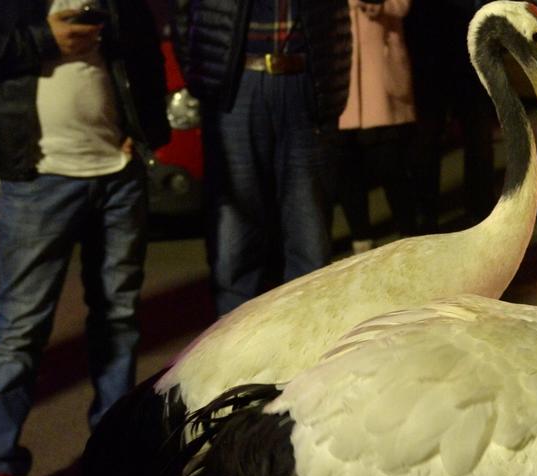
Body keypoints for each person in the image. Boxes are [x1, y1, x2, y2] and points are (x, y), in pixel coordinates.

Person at [0, 0, 171, 476]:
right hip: (38, 175)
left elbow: (144, 53)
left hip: (117, 173)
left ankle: (113, 462)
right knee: (19, 330)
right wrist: (43, 40)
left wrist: (144, 129)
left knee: (118, 319)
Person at [173, 0, 351, 316]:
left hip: (303, 77)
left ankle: (305, 336)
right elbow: (183, 11)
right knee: (234, 239)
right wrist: (202, 78)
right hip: (238, 82)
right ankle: (235, 339)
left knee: (309, 235)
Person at [404, 0, 496, 234]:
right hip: (429, 52)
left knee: (476, 136)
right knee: (428, 141)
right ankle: (428, 217)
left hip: (463, 49)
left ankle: (479, 210)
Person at [334, 0, 417, 254]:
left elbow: (401, 6)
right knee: (347, 167)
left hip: (380, 74)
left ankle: (409, 235)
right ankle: (360, 238)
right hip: (339, 73)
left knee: (390, 164)